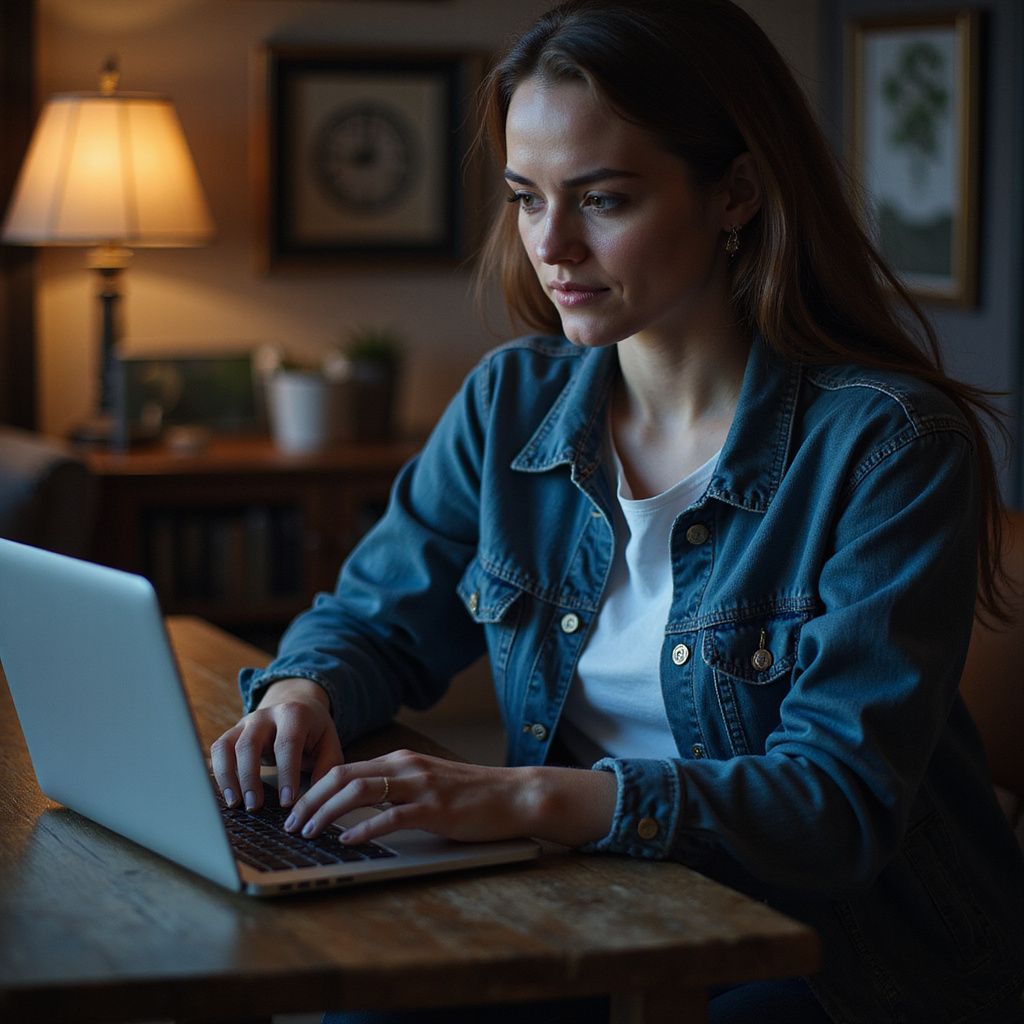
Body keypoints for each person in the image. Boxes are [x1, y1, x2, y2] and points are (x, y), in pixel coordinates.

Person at [211, 1, 1024, 1021]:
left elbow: (836, 806)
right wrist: (300, 695)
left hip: (849, 952)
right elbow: (375, 617)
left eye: (601, 199)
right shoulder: (512, 401)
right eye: (524, 197)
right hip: (595, 899)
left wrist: (518, 800)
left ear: (735, 191)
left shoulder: (889, 447)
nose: (551, 246)